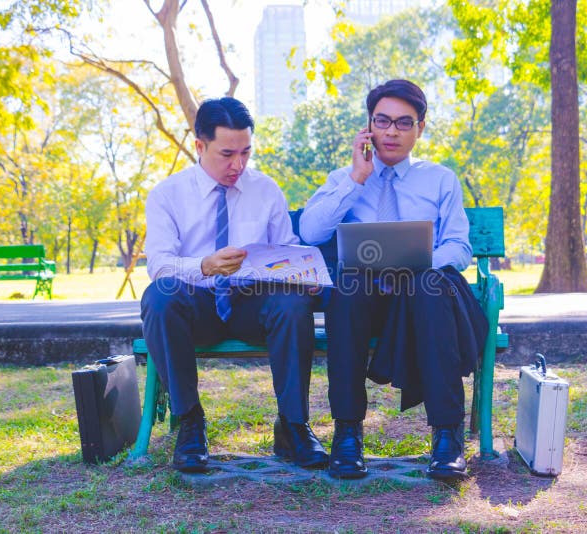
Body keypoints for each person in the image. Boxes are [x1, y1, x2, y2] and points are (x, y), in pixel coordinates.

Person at [299, 79, 488, 480]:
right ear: (368, 125)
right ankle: (347, 433)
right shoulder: (344, 177)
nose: (391, 132)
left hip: (423, 298)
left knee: (430, 285)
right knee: (346, 289)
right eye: (382, 121)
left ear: (420, 127)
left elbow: (459, 246)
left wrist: (419, 266)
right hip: (363, 299)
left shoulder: (439, 179)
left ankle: (447, 437)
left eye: (403, 123)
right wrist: (357, 178)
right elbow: (310, 233)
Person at [141, 97, 328, 473]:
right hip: (197, 306)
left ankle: (293, 425)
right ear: (199, 146)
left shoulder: (265, 189)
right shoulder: (167, 195)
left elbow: (287, 249)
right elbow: (159, 264)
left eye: (246, 152)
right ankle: (190, 422)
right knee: (159, 297)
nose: (238, 165)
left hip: (252, 303)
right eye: (227, 153)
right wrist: (205, 266)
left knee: (292, 304)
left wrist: (302, 275)